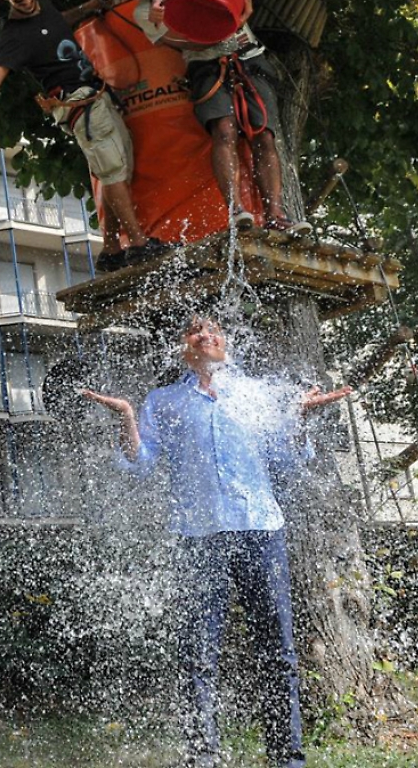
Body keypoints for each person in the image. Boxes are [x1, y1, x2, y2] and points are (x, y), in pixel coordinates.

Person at [83, 316, 350, 768]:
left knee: (277, 651)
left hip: (261, 529)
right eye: (194, 331)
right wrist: (128, 418)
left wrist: (302, 418)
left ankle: (288, 758)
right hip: (198, 535)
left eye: (214, 330)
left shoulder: (257, 394)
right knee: (197, 654)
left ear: (227, 343)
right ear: (182, 347)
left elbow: (288, 455)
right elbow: (140, 462)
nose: (205, 335)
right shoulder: (163, 401)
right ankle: (202, 757)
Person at [0, 0, 169, 273]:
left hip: (96, 95)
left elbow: (56, 21)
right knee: (113, 170)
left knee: (117, 169)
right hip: (79, 105)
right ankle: (140, 245)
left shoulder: (40, 3)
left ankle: (114, 249)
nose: (29, 1)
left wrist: (88, 7)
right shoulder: (13, 37)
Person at [119, 0, 312, 237]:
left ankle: (275, 213)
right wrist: (223, 31)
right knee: (224, 130)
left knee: (265, 135)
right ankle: (236, 209)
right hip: (206, 65)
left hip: (249, 56)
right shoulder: (144, 11)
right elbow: (176, 42)